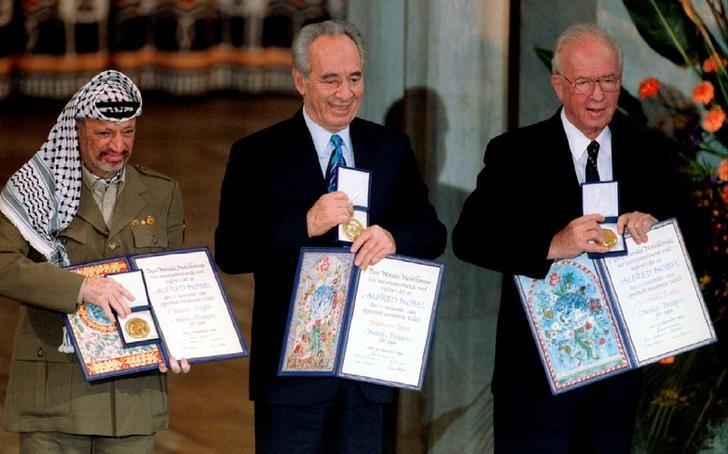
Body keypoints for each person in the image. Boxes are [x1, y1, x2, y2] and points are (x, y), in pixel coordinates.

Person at [452, 24, 695, 453]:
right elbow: (470, 237)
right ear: (558, 85)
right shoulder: (516, 151)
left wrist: (655, 228)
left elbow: (696, 231)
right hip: (534, 382)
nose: (598, 96)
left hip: (617, 379)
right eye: (584, 83)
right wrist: (551, 245)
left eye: (608, 81)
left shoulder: (649, 150)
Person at [215, 20, 446, 453]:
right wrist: (304, 224)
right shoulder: (257, 153)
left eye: (355, 78)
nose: (345, 93)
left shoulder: (390, 148)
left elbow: (432, 233)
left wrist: (394, 238)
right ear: (300, 81)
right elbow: (231, 249)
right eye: (331, 80)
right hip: (291, 381)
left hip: (369, 375)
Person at [0, 70, 189, 453]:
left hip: (131, 403)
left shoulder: (162, 193)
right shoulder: (36, 191)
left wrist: (181, 338)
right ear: (77, 129)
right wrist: (82, 288)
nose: (118, 146)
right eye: (105, 133)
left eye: (128, 133)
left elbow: (171, 283)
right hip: (54, 400)